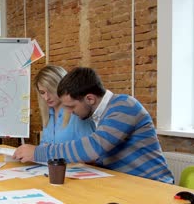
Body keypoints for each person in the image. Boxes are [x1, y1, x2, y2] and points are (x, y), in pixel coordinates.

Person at [13, 67, 174, 184]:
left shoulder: (124, 106)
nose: (69, 111)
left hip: (153, 185)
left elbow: (94, 147)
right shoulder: (98, 114)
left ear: (90, 99)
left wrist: (39, 152)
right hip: (125, 183)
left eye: (71, 107)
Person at [16, 65, 95, 164]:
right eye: (42, 92)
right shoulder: (48, 115)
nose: (46, 97)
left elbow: (92, 154)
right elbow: (45, 147)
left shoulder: (78, 114)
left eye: (51, 91)